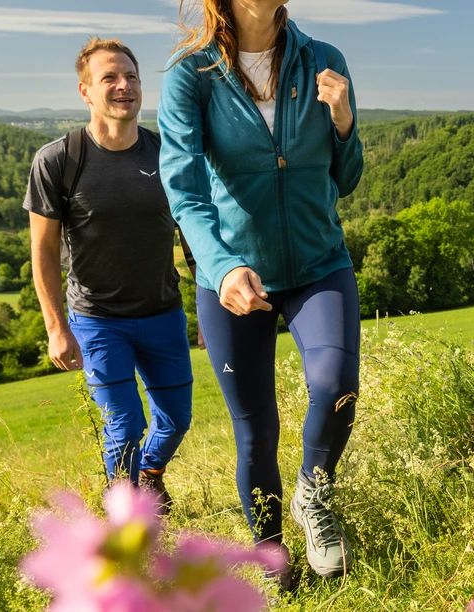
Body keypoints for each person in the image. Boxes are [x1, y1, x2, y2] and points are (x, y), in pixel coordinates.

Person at [159, 0, 363, 579]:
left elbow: (346, 178)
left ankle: (313, 494)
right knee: (256, 431)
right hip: (233, 278)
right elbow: (183, 188)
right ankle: (274, 564)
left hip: (320, 263)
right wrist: (221, 266)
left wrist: (344, 121)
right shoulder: (190, 76)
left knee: (337, 385)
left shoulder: (323, 60)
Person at [25, 38, 197, 511]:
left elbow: (192, 230)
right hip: (98, 319)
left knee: (176, 419)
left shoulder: (168, 154)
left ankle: (151, 474)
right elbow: (42, 250)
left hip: (163, 311)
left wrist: (209, 300)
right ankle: (126, 516)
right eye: (110, 78)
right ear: (85, 91)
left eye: (132, 77)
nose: (125, 86)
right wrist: (56, 327)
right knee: (125, 424)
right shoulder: (59, 160)